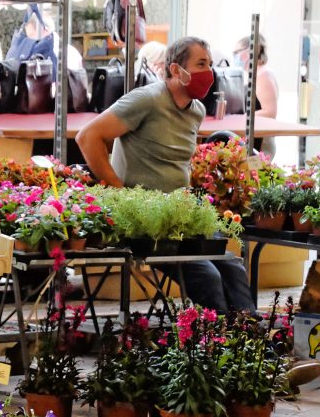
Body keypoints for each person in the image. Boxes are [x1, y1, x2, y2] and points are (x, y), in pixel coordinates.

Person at [75, 36, 255, 314]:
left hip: (180, 214)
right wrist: (119, 192)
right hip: (144, 221)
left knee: (231, 265)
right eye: (201, 64)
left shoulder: (195, 111)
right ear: (175, 70)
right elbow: (88, 137)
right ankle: (222, 342)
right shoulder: (146, 100)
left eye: (209, 64)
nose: (208, 73)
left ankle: (248, 334)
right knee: (208, 276)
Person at [234, 35, 278, 157]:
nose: (235, 57)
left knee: (258, 174)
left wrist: (240, 118)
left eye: (237, 52)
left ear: (249, 52)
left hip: (262, 142)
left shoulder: (263, 75)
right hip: (257, 138)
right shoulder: (258, 74)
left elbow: (270, 112)